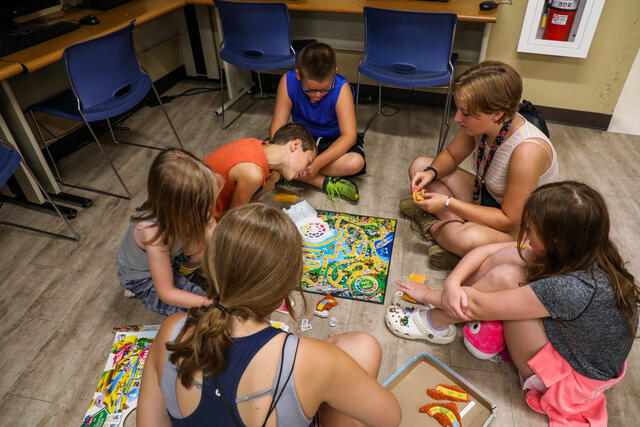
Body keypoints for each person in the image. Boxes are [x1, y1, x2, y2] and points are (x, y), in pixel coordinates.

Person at [387, 181, 638, 425]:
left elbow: (476, 305)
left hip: (567, 379)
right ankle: (456, 307)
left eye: (531, 231)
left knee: (506, 277)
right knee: (510, 256)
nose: (525, 236)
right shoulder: (584, 250)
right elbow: (489, 250)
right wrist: (452, 285)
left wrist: (429, 294)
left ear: (556, 242)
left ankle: (436, 322)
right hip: (576, 348)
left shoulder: (571, 287)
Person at [137, 204, 402, 427]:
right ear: (286, 288)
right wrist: (329, 395)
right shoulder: (315, 361)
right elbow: (389, 417)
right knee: (362, 350)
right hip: (304, 371)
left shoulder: (172, 329)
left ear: (212, 268)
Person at [402, 61, 559, 270]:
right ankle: (459, 244)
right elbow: (450, 154)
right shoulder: (484, 124)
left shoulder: (527, 151)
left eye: (465, 113)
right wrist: (431, 173)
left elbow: (509, 220)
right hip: (487, 196)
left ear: (497, 113)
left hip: (519, 228)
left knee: (469, 239)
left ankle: (436, 228)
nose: (457, 118)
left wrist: (448, 204)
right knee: (420, 165)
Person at [116, 149, 222, 316]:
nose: (211, 210)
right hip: (145, 279)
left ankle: (182, 272)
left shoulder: (175, 210)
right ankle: (137, 288)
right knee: (204, 313)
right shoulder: (151, 232)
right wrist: (206, 302)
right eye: (206, 206)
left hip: (170, 256)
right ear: (182, 208)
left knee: (210, 241)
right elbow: (167, 293)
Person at [270, 42, 365, 202]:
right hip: (301, 138)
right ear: (299, 75)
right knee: (266, 150)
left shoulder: (342, 88)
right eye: (311, 89)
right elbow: (276, 130)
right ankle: (323, 182)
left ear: (334, 74)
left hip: (332, 141)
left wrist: (318, 163)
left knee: (355, 163)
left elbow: (349, 137)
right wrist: (283, 152)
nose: (317, 95)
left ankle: (290, 174)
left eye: (325, 89)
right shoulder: (287, 81)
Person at [203, 122, 316, 220]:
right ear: (295, 145)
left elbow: (245, 203)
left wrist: (266, 187)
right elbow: (232, 221)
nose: (306, 171)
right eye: (308, 162)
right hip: (199, 219)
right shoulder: (253, 173)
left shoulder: (255, 144)